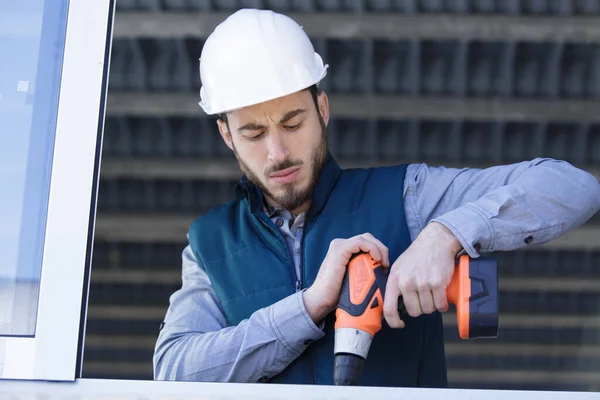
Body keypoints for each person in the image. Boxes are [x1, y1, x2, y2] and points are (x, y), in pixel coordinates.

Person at [152, 8, 600, 387]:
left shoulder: (407, 196)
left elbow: (572, 188)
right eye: (253, 133)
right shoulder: (210, 245)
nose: (278, 153)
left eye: (292, 124)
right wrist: (309, 307)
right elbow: (173, 372)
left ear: (322, 110)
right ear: (226, 135)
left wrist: (444, 235)